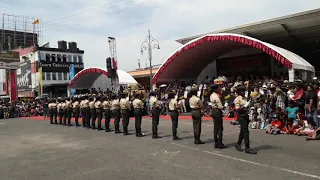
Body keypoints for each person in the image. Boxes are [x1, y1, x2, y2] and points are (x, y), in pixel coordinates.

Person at [234, 86, 257, 154]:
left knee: (242, 131)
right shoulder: (237, 99)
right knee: (246, 132)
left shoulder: (245, 98)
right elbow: (237, 109)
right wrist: (244, 106)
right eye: (242, 91)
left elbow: (249, 105)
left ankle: (238, 144)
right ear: (239, 92)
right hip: (241, 116)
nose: (244, 92)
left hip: (246, 115)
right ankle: (247, 148)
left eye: (244, 91)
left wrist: (250, 103)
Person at [210, 84, 227, 149]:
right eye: (218, 88)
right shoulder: (216, 96)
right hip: (217, 111)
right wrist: (224, 107)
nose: (219, 89)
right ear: (215, 89)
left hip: (213, 111)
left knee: (215, 128)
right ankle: (220, 143)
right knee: (220, 128)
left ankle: (216, 143)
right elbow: (220, 106)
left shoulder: (212, 95)